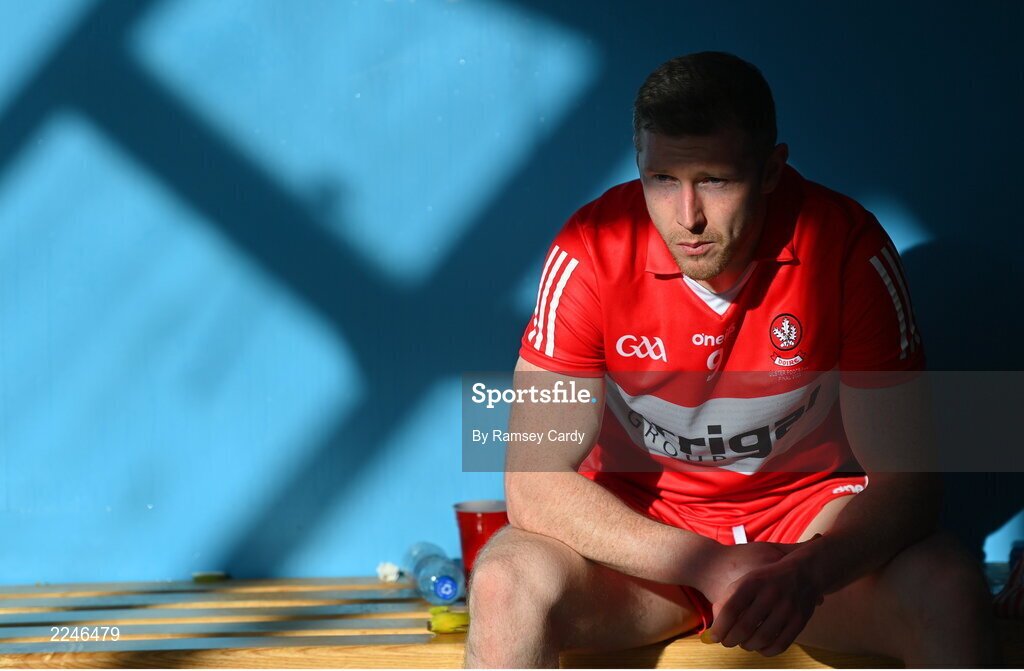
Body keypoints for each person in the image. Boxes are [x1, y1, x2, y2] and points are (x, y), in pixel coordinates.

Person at [463, 52, 997, 668]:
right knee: (505, 580)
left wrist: (812, 570)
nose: (687, 216)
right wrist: (706, 561)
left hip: (803, 541)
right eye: (662, 179)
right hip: (650, 544)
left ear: (771, 170)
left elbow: (910, 484)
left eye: (715, 180)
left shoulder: (849, 247)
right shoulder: (589, 250)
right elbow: (534, 481)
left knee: (949, 586)